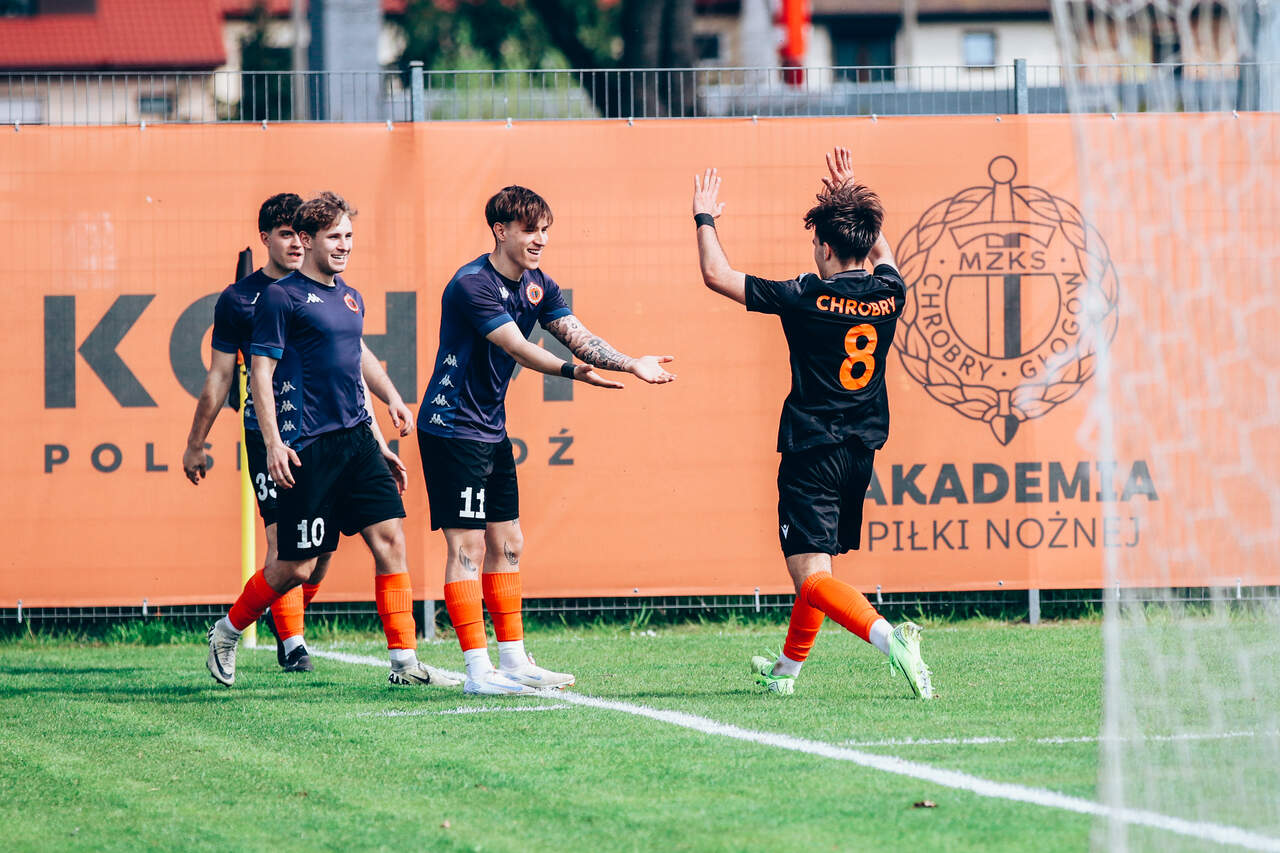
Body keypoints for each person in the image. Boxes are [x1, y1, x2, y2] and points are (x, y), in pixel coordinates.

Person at [691, 148, 933, 699]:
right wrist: (852, 199)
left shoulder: (805, 295)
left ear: (824, 247)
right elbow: (883, 251)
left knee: (813, 577)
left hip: (811, 450)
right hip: (859, 453)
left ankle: (891, 638)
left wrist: (704, 216)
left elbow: (715, 274)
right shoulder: (890, 293)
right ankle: (785, 672)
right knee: (815, 571)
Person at [418, 185, 676, 696]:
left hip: (489, 428)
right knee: (468, 546)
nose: (541, 240)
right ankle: (478, 672)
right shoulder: (471, 285)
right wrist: (573, 372)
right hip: (451, 427)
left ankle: (513, 661)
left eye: (545, 230)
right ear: (500, 231)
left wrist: (630, 363)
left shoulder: (538, 284)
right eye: (530, 230)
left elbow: (577, 335)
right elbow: (518, 346)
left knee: (508, 542)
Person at [205, 191, 458, 689]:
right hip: (308, 446)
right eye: (334, 237)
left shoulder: (350, 296)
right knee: (296, 567)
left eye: (349, 236)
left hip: (357, 441)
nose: (344, 245)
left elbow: (354, 360)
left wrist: (385, 417)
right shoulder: (281, 298)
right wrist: (274, 443)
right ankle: (228, 631)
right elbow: (260, 373)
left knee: (390, 540)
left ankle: (405, 663)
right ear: (307, 239)